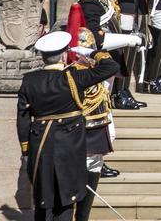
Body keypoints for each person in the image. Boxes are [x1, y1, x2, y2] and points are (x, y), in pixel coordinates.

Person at [16, 31, 119, 221]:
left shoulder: (29, 80)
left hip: (40, 146)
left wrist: (25, 150)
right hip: (69, 147)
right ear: (64, 54)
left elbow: (22, 119)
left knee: (43, 201)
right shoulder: (73, 78)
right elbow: (111, 66)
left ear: (42, 56)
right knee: (65, 202)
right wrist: (89, 52)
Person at [74, 0, 145, 117]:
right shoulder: (90, 2)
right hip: (98, 62)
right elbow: (95, 37)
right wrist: (129, 39)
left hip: (110, 61)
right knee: (99, 108)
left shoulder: (103, 1)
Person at [63, 14, 119, 218]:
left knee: (92, 171)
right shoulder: (72, 74)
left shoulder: (94, 71)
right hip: (80, 130)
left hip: (97, 128)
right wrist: (95, 54)